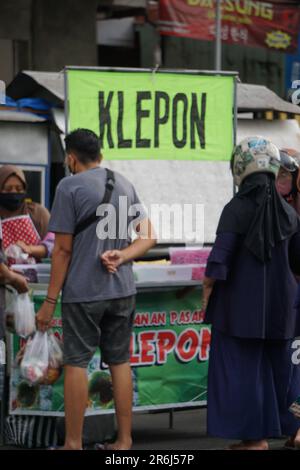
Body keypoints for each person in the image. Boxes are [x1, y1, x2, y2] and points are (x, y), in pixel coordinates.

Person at [36, 128, 156, 451]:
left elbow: (61, 251)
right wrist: (123, 255)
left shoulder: (69, 186)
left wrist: (49, 302)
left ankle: (73, 443)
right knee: (119, 361)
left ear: (71, 158)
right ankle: (125, 440)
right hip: (122, 290)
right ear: (99, 154)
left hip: (84, 292)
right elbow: (148, 237)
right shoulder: (125, 184)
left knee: (76, 362)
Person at [203, 136, 300, 450]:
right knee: (280, 373)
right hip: (283, 311)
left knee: (241, 374)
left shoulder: (235, 209)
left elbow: (219, 262)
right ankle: (291, 431)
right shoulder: (289, 214)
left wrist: (206, 297)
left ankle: (254, 439)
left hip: (237, 311)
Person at [0, 165, 54, 260]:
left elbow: (54, 244)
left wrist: (30, 249)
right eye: (8, 189)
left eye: (19, 189)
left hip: (35, 273)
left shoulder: (38, 212)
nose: (14, 192)